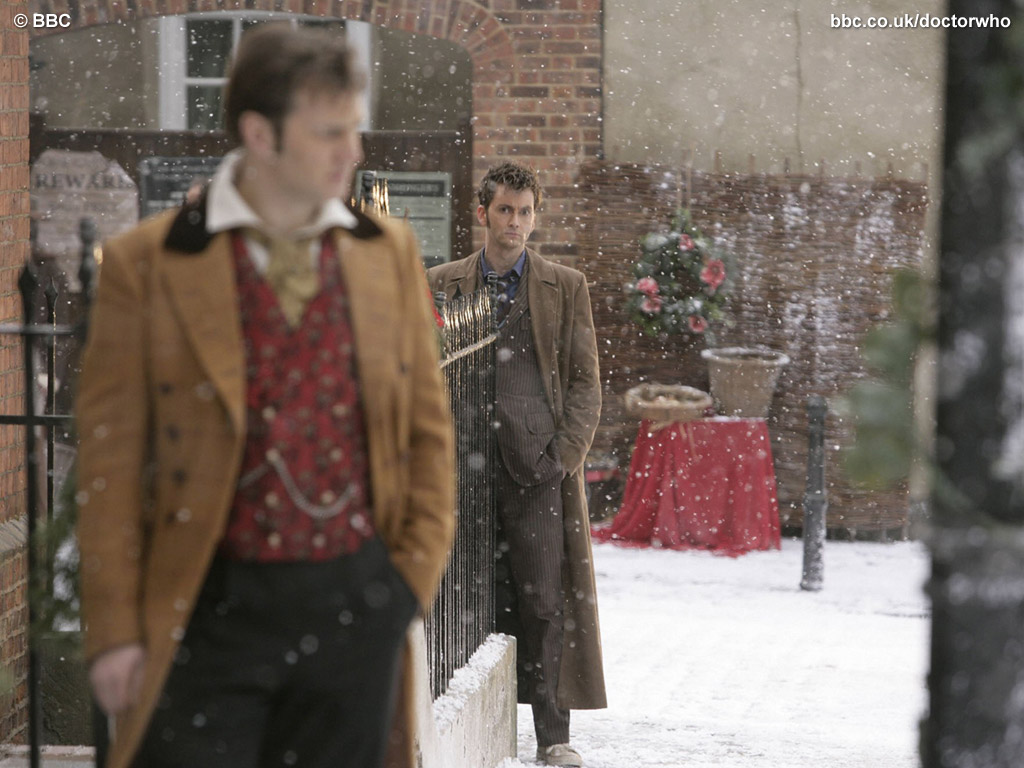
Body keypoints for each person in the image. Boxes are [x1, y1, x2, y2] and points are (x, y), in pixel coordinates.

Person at [75, 24, 454, 768]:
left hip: (355, 611)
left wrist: (404, 588)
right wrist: (116, 631)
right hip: (207, 614)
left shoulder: (386, 254)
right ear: (260, 134)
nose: (354, 151)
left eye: (354, 129)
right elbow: (110, 467)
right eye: (330, 133)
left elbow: (428, 436)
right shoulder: (148, 265)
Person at [427, 162, 606, 767]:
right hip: (459, 472)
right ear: (483, 213)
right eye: (505, 210)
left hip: (536, 468)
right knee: (460, 595)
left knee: (544, 602)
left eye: (525, 212)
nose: (515, 222)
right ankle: (456, 717)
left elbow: (585, 383)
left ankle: (553, 736)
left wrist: (564, 456)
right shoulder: (441, 284)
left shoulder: (564, 285)